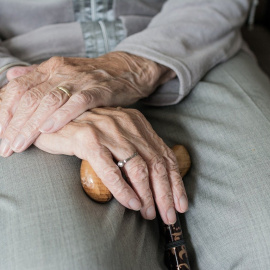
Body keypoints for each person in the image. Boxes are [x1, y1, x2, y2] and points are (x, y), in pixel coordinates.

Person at [1, 0, 270, 269]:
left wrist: (133, 65)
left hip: (189, 40)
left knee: (263, 240)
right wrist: (30, 101)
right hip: (22, 72)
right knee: (60, 261)